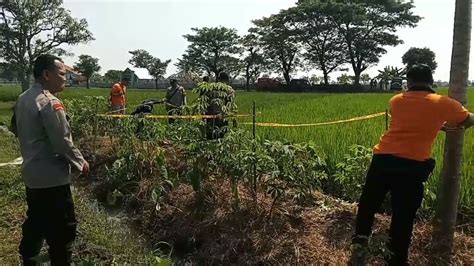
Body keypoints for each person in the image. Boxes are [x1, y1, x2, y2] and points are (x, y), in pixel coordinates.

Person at [350, 64, 474, 265]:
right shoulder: (444, 103)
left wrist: (434, 123)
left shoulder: (396, 100)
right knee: (403, 216)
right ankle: (396, 260)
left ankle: (360, 242)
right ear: (431, 80)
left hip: (382, 159)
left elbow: (410, 120)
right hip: (411, 166)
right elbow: (468, 119)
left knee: (368, 204)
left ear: (408, 81)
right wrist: (452, 126)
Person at [12, 54, 89, 265]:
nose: (65, 79)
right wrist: (81, 163)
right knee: (63, 227)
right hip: (52, 178)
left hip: (32, 174)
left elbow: (15, 128)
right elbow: (62, 141)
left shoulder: (24, 98)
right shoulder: (49, 102)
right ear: (47, 74)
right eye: (62, 74)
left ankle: (29, 256)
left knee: (36, 218)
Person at [202, 72, 235, 139]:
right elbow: (230, 104)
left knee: (210, 136)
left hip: (210, 115)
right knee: (221, 136)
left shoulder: (210, 88)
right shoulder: (229, 89)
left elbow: (205, 101)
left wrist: (204, 115)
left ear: (218, 79)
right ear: (227, 80)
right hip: (222, 116)